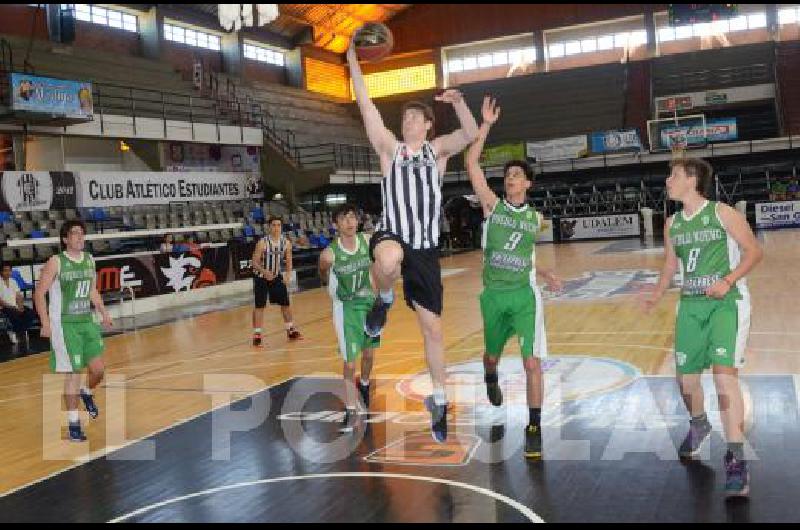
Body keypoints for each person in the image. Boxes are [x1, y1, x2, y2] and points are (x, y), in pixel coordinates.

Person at [348, 32, 479, 442]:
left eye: (412, 118)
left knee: (433, 331)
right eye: (402, 118)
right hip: (393, 235)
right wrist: (353, 58)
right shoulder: (389, 148)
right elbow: (366, 106)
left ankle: (439, 401)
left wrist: (459, 103)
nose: (406, 122)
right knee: (387, 260)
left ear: (426, 124)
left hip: (425, 247)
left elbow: (470, 134)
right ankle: (384, 299)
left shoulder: (436, 150)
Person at [640, 157, 763, 498]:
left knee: (724, 377)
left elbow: (754, 252)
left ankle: (736, 458)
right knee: (686, 380)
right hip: (691, 306)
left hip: (727, 304)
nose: (667, 181)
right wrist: (656, 293)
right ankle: (699, 423)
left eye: (673, 175)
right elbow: (669, 265)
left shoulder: (723, 213)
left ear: (692, 179)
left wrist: (728, 279)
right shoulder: (673, 223)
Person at [465, 96, 563, 459]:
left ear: (528, 184)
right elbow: (472, 163)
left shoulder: (534, 219)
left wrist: (544, 272)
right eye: (507, 175)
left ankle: (533, 425)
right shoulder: (492, 205)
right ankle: (490, 375)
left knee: (532, 362)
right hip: (493, 296)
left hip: (524, 296)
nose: (510, 179)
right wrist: (486, 124)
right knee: (490, 357)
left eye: (516, 175)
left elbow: (524, 253)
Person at [33, 220, 113, 442]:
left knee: (98, 371)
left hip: (86, 322)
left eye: (82, 234)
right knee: (74, 374)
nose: (80, 237)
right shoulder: (56, 262)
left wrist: (103, 312)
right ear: (65, 239)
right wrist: (45, 322)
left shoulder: (89, 260)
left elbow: (92, 290)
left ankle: (87, 392)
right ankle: (73, 425)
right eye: (74, 234)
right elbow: (39, 294)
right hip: (65, 325)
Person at [318, 203, 379, 433]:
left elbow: (377, 266)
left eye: (352, 217)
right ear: (336, 225)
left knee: (369, 355)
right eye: (344, 219)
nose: (350, 222)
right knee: (349, 361)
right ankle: (351, 409)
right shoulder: (329, 254)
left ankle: (363, 384)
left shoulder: (367, 241)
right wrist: (329, 286)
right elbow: (322, 271)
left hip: (368, 303)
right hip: (345, 308)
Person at [251, 216, 302, 347]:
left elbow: (289, 260)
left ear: (281, 227)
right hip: (261, 277)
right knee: (259, 306)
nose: (276, 228)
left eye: (278, 225)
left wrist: (288, 275)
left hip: (276, 276)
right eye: (273, 225)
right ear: (269, 227)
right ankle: (257, 335)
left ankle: (290, 330)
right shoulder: (262, 243)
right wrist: (264, 272)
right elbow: (254, 263)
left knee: (285, 304)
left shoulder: (286, 243)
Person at [1, 263, 37, 344]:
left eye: (9, 271)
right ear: (1, 271)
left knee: (30, 313)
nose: (7, 272)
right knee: (14, 313)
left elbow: (19, 296)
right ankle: (19, 332)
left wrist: (20, 306)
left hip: (15, 306)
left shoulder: (13, 281)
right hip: (3, 307)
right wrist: (13, 307)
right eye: (5, 271)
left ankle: (16, 331)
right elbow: (1, 301)